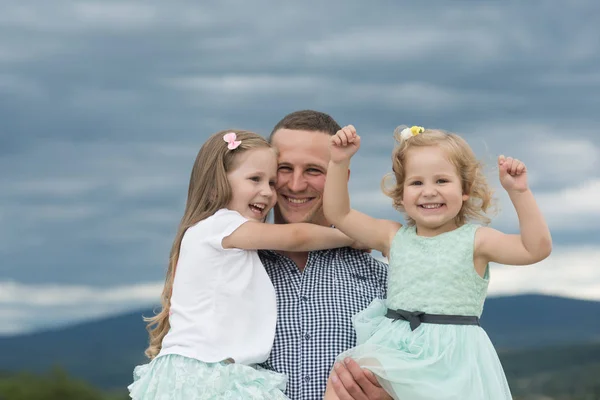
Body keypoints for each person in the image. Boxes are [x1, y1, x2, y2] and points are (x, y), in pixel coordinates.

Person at [128, 130, 363, 400]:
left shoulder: (218, 234)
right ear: (217, 185)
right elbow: (298, 236)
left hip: (212, 370)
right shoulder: (221, 225)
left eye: (273, 183)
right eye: (255, 179)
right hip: (207, 373)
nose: (267, 192)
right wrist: (353, 236)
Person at [322, 124, 552, 400]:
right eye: (416, 183)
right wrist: (339, 161)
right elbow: (338, 213)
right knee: (342, 382)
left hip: (454, 359)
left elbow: (535, 249)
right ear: (401, 193)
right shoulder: (393, 237)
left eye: (442, 181)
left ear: (465, 189)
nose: (429, 191)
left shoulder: (477, 240)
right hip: (396, 347)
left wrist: (519, 192)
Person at [258, 110, 392, 400]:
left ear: (340, 176)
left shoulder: (383, 281)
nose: (295, 185)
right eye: (284, 168)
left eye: (313, 170)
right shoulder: (231, 268)